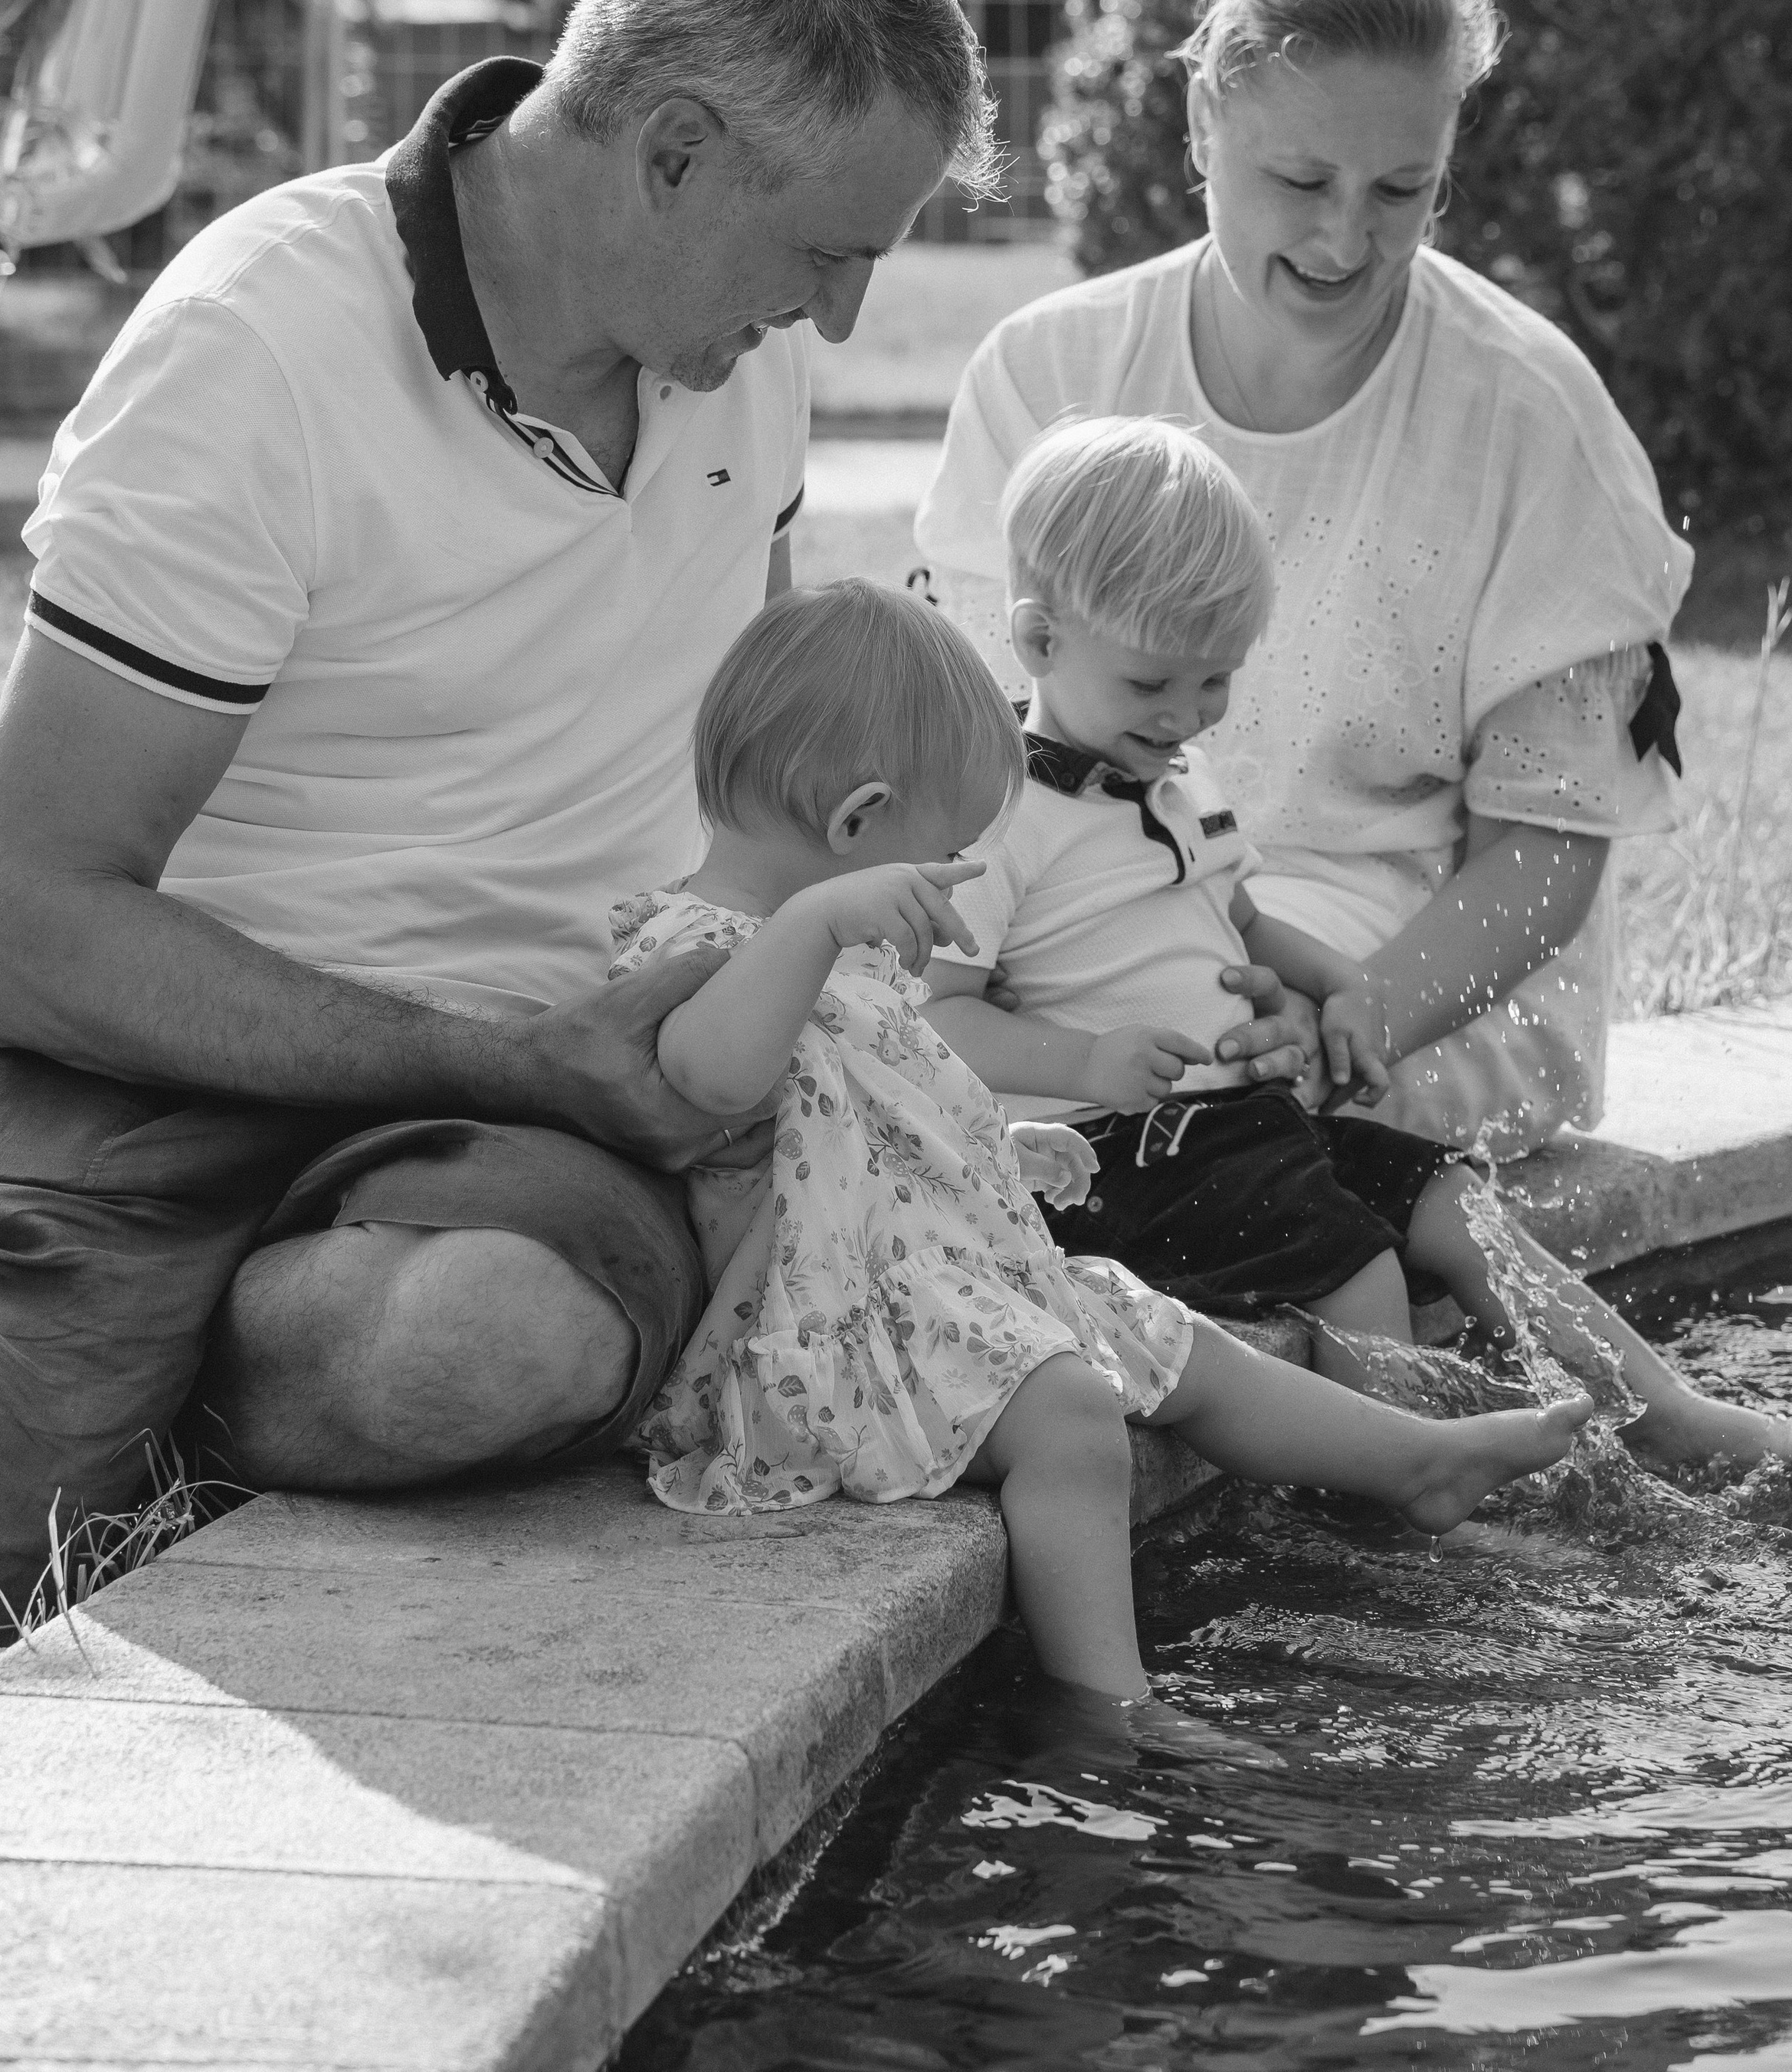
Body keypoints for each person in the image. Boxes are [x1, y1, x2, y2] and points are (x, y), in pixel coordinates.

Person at [0, 0, 1316, 1630]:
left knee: (493, 1346)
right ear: (674, 155)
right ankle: (154, 1368)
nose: (840, 323)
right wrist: (525, 1059)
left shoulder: (732, 361)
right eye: (828, 254)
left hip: (550, 1115)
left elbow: (776, 796)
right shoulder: (257, 350)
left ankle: (206, 1368)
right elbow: (23, 927)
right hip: (159, 1072)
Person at [609, 580, 1592, 1716]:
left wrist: (1002, 1143)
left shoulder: (841, 955)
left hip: (925, 1296)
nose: (953, 895)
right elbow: (707, 1082)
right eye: (947, 861)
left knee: (1160, 1329)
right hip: (824, 1352)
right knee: (1071, 1414)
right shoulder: (703, 950)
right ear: (859, 827)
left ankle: (1414, 1464)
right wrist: (814, 925)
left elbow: (837, 1116)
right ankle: (1108, 1704)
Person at [915, 0, 1690, 1159]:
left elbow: (1549, 856)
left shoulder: (1531, 414)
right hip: (1071, 944)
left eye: (1404, 192)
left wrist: (1351, 1021)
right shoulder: (1046, 371)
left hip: (1405, 991)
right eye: (1300, 183)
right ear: (1204, 123)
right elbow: (974, 765)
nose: (1346, 244)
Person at [922, 416, 1792, 1474]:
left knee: (1451, 1198)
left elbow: (1238, 920)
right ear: (1041, 639)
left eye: (1215, 681)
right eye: (1155, 684)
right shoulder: (1001, 811)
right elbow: (939, 1015)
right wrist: (1083, 1061)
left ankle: (1662, 1408)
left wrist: (1344, 992)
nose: (1188, 714)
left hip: (1228, 1131)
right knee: (1358, 1264)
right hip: (1110, 1160)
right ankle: (1415, 1484)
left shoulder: (1177, 773)